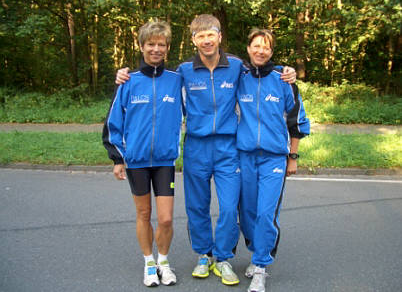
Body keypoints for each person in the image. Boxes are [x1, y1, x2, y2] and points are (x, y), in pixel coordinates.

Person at [115, 14, 297, 286]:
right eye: (201, 36)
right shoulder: (184, 71)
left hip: (228, 147)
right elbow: (156, 78)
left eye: (211, 35)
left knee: (227, 209)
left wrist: (288, 72)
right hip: (196, 148)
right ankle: (204, 255)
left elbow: (264, 68)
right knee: (197, 207)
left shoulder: (237, 66)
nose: (207, 40)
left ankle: (223, 258)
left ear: (220, 37)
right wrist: (123, 74)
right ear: (193, 40)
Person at [102, 20, 182, 287]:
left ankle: (164, 262)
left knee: (167, 217)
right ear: (141, 46)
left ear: (167, 48)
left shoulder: (177, 80)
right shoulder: (128, 81)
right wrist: (117, 158)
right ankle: (149, 263)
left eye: (161, 44)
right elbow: (113, 122)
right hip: (135, 160)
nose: (156, 49)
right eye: (151, 44)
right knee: (144, 215)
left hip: (165, 160)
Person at [236, 28, 310, 292]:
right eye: (256, 45)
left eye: (266, 47)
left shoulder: (284, 79)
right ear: (248, 48)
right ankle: (256, 253)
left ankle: (261, 267)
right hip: (244, 156)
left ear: (271, 51)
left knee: (266, 213)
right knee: (246, 214)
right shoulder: (239, 76)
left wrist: (293, 156)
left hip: (274, 158)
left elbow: (297, 120)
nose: (260, 50)